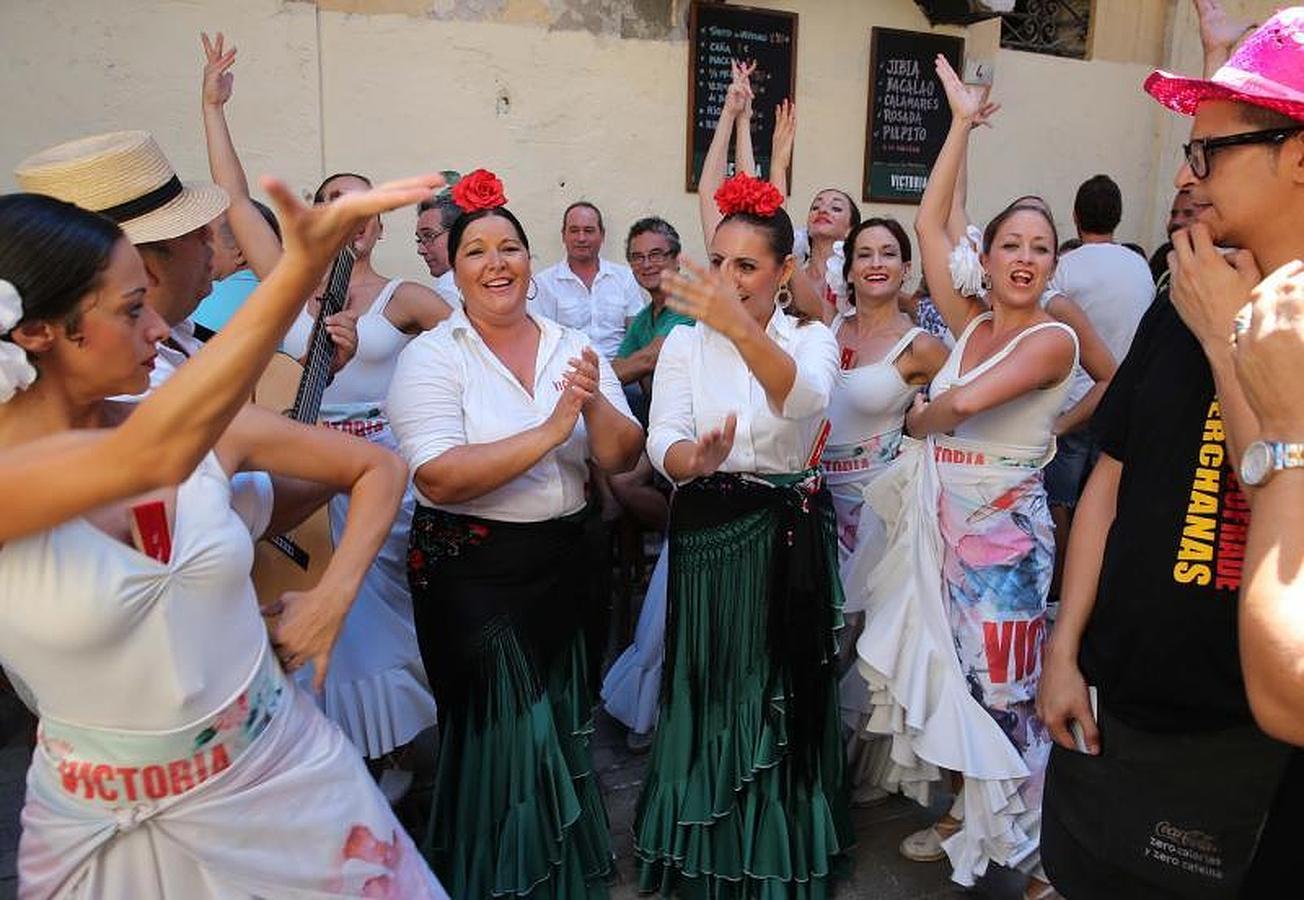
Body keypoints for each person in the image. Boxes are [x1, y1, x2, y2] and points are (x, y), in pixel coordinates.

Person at [0, 152, 447, 895]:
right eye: (129, 310)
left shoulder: (173, 407)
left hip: (282, 774)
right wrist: (299, 270)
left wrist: (332, 598)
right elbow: (157, 453)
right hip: (106, 831)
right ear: (42, 332)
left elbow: (368, 467)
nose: (156, 330)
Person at [1038, 6, 1304, 897]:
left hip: (1243, 748)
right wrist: (1065, 647)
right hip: (1117, 707)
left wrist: (1225, 339)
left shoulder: (1255, 314)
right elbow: (1110, 480)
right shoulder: (1182, 287)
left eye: (1211, 153)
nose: (1191, 177)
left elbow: (1277, 486)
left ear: (1298, 157)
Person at [851, 56, 1077, 899]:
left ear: (1054, 263)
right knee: (952, 675)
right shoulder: (975, 318)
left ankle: (1040, 853)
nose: (1023, 258)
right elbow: (929, 215)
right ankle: (961, 812)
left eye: (1039, 248)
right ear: (991, 255)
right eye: (1010, 244)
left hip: (1005, 550)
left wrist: (918, 416)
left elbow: (956, 409)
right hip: (941, 531)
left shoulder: (1051, 340)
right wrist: (957, 124)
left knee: (1010, 690)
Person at [386, 169, 642, 898]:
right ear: (454, 270)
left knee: (558, 719)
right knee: (506, 729)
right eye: (476, 251)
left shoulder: (572, 344)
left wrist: (591, 410)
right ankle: (499, 874)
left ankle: (556, 869)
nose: (496, 262)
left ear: (531, 265)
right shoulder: (434, 355)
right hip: (474, 573)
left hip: (566, 562)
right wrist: (553, 427)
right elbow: (439, 476)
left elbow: (622, 457)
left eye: (510, 248)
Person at [201, 34, 446, 770]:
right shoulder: (286, 277)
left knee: (381, 619)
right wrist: (212, 108)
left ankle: (390, 750)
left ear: (376, 224)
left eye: (359, 206)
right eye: (330, 202)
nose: (347, 215)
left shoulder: (406, 298)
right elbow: (237, 203)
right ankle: (337, 753)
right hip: (304, 467)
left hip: (382, 471)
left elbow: (477, 346)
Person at [632, 172, 852, 897]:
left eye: (748, 266)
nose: (728, 280)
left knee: (777, 687)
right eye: (718, 262)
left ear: (785, 272)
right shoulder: (685, 346)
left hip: (784, 538)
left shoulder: (813, 338)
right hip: (707, 531)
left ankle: (776, 844)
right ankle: (703, 841)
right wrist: (684, 461)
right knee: (711, 685)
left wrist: (738, 327)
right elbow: (661, 432)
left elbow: (805, 399)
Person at [1042, 174, 1153, 561]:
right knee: (1106, 508)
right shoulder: (1139, 267)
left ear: (1075, 216)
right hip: (1126, 406)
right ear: (1118, 216)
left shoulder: (1065, 268)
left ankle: (1059, 588)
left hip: (1073, 405)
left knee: (1058, 502)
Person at [767, 98, 862, 322]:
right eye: (816, 206)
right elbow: (774, 223)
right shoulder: (789, 271)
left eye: (836, 207)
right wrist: (778, 165)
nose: (823, 210)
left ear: (851, 230)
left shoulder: (856, 278)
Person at [532, 201, 645, 360]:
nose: (581, 238)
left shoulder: (624, 278)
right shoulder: (544, 283)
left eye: (589, 230)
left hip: (621, 373)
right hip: (568, 375)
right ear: (563, 235)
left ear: (602, 235)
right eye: (574, 230)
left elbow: (636, 334)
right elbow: (540, 339)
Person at [191, 201, 280, 339]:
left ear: (240, 252)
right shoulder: (291, 295)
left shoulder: (198, 301)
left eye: (205, 242)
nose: (196, 251)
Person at [416, 187, 462, 306]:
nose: (421, 250)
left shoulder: (445, 298)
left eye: (429, 236)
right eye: (419, 239)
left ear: (460, 234)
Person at [1148, 189, 1198, 285]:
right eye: (1174, 214)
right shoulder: (1164, 254)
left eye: (1188, 214)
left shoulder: (1219, 265)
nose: (1176, 221)